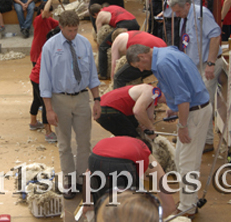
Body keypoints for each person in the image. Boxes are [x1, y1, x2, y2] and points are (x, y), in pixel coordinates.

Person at [126, 44, 212, 218]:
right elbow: (182, 87)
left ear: (142, 57)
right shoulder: (166, 53)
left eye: (139, 66)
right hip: (195, 107)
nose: (142, 70)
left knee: (187, 161)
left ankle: (188, 207)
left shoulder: (163, 64)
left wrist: (182, 125)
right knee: (181, 158)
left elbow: (183, 96)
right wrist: (173, 106)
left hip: (194, 112)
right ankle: (190, 201)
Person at [39, 10, 101, 199]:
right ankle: (69, 180)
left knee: (84, 142)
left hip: (82, 98)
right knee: (64, 143)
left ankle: (83, 179)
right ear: (61, 28)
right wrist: (48, 109)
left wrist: (97, 100)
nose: (73, 34)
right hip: (60, 99)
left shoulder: (84, 44)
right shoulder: (50, 47)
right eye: (69, 31)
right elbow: (45, 80)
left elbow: (92, 75)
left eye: (75, 30)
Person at [169, 0, 222, 153]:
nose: (177, 15)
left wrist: (211, 63)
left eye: (179, 11)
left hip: (207, 63)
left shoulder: (201, 14)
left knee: (203, 102)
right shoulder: (186, 17)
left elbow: (215, 36)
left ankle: (207, 140)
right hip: (195, 65)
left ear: (187, 4)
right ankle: (197, 135)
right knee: (196, 100)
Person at [88, 136, 176, 218]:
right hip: (120, 165)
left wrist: (87, 202)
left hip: (95, 159)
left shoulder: (120, 145)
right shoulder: (151, 161)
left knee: (101, 207)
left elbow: (88, 174)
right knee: (130, 209)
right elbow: (170, 206)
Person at [89, 4, 139, 79]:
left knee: (103, 47)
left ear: (95, 14)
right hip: (135, 23)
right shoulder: (111, 7)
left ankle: (103, 74)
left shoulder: (99, 16)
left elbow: (99, 36)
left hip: (124, 24)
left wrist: (99, 48)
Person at [96, 84, 163, 138]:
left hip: (105, 108)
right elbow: (138, 111)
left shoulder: (152, 95)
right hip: (107, 110)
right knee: (135, 140)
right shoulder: (150, 92)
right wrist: (151, 128)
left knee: (136, 130)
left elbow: (149, 118)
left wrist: (147, 128)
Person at [29, 27, 60, 143]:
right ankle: (48, 132)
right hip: (39, 79)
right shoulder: (52, 49)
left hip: (34, 76)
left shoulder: (48, 46)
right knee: (46, 104)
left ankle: (33, 122)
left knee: (36, 100)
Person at [30, 0, 58, 66]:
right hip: (37, 52)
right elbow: (46, 10)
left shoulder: (49, 20)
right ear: (41, 11)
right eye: (49, 12)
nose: (50, 14)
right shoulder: (38, 20)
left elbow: (60, 25)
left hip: (46, 51)